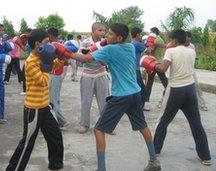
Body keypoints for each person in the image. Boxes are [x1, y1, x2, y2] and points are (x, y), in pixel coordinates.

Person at [53, 23, 161, 171]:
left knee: (99, 130)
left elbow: (85, 59)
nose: (106, 35)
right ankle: (154, 160)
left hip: (121, 96)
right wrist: (99, 45)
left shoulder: (110, 49)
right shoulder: (129, 47)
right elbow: (101, 57)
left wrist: (66, 52)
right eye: (105, 32)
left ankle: (101, 168)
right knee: (142, 126)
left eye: (109, 33)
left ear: (119, 37)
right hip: (135, 93)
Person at [6, 29, 64, 171]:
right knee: (27, 143)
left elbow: (54, 64)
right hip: (34, 109)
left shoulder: (42, 57)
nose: (49, 45)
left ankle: (55, 165)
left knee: (55, 136)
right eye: (46, 43)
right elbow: (44, 81)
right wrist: (48, 63)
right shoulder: (31, 62)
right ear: (38, 44)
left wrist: (61, 58)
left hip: (45, 106)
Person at [152, 29, 211, 166]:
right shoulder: (191, 51)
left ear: (174, 40)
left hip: (176, 90)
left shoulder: (171, 51)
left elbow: (163, 68)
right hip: (190, 89)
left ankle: (154, 150)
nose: (168, 42)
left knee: (163, 120)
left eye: (169, 40)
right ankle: (206, 156)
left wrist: (153, 64)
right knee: (196, 123)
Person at [77, 22, 110, 134]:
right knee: (86, 101)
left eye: (103, 30)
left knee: (105, 101)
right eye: (100, 30)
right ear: (93, 31)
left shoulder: (106, 43)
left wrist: (94, 56)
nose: (102, 33)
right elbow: (82, 58)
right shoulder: (85, 43)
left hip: (101, 73)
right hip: (88, 74)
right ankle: (84, 124)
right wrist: (93, 54)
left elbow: (106, 60)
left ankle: (106, 125)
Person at [47, 27, 69, 128]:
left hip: (54, 74)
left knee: (52, 100)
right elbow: (66, 61)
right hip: (58, 75)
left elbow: (66, 60)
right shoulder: (61, 45)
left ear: (50, 36)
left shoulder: (54, 45)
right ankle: (62, 121)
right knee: (55, 99)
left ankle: (55, 123)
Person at [143, 27, 168, 111]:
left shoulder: (154, 39)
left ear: (153, 32)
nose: (149, 33)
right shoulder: (160, 39)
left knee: (149, 82)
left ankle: (146, 102)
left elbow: (150, 50)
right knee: (164, 81)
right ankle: (168, 96)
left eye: (150, 32)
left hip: (153, 63)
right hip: (160, 62)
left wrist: (146, 47)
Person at [185, 31, 208, 111]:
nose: (186, 39)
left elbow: (193, 58)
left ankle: (203, 104)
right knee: (170, 86)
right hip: (181, 69)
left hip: (191, 69)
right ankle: (162, 102)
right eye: (185, 37)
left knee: (197, 86)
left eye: (188, 37)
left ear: (190, 38)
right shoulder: (180, 46)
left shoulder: (192, 46)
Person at [131, 27, 147, 108]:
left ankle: (137, 106)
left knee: (137, 87)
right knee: (141, 89)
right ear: (137, 35)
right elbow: (149, 50)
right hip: (136, 69)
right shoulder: (137, 44)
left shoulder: (132, 43)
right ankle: (139, 107)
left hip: (132, 68)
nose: (141, 36)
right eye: (140, 34)